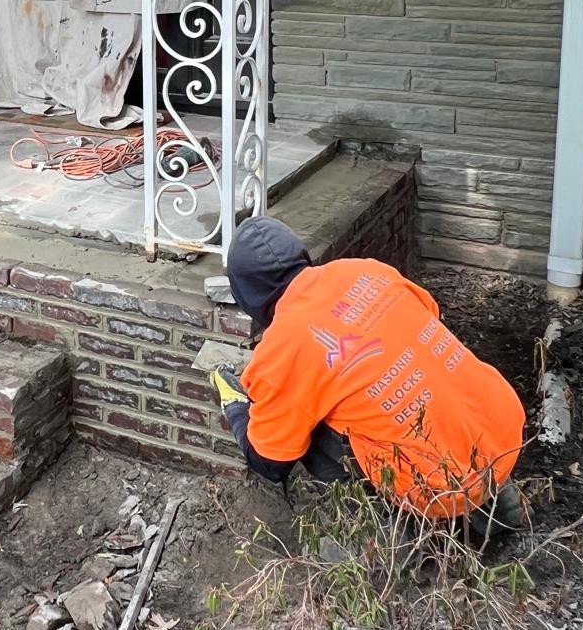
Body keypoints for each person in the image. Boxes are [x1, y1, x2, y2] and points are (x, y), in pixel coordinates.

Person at [210, 217, 526, 536]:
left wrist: (236, 408)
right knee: (427, 368)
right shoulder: (365, 269)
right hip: (502, 431)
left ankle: (382, 538)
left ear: (248, 293)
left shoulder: (282, 347)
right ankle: (501, 507)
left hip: (436, 488)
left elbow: (270, 463)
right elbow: (430, 314)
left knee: (306, 427)